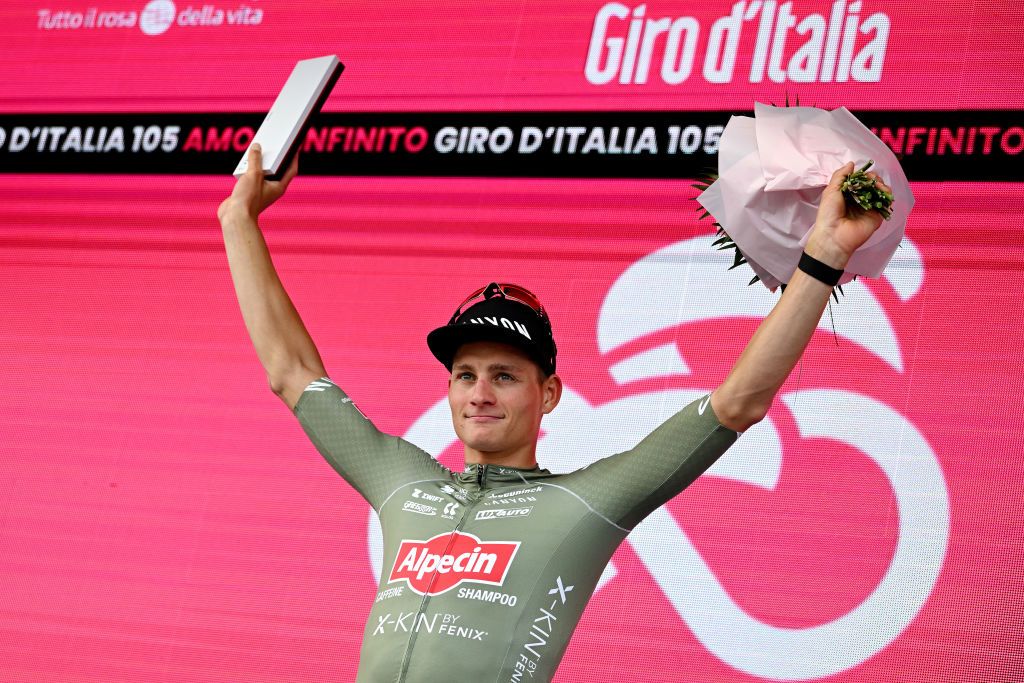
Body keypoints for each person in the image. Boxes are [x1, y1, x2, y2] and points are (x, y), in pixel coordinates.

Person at [217, 144, 892, 683]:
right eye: (465, 375)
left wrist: (824, 255)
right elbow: (292, 372)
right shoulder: (401, 478)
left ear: (550, 395)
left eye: (505, 376)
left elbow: (738, 401)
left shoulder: (588, 500)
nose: (479, 392)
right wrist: (237, 219)